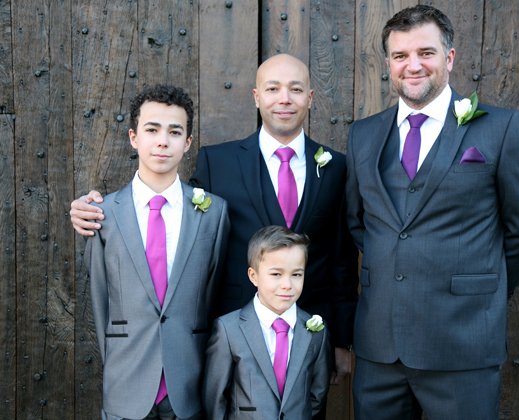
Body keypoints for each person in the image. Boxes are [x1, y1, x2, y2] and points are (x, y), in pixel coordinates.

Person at [71, 54, 358, 389]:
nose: (284, 98)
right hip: (233, 332)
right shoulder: (218, 160)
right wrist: (96, 208)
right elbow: (172, 209)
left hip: (310, 331)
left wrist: (341, 339)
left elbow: (343, 258)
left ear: (309, 98)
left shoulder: (336, 167)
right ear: (256, 97)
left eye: (295, 89)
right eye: (273, 88)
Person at [345, 5, 519, 420]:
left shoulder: (500, 128)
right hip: (378, 347)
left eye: (426, 52)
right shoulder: (363, 134)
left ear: (450, 58)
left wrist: (480, 287)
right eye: (401, 56)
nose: (413, 65)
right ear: (388, 64)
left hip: (461, 340)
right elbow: (358, 222)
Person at [84, 85, 230, 420]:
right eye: (152, 129)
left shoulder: (213, 213)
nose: (163, 141)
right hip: (126, 383)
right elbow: (100, 300)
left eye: (174, 132)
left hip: (188, 383)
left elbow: (210, 295)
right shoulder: (103, 215)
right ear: (134, 137)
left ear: (188, 142)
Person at [204, 225, 332, 420]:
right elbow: (215, 399)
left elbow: (317, 394)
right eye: (276, 274)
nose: (287, 285)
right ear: (253, 276)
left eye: (296, 274)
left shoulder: (316, 332)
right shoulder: (228, 330)